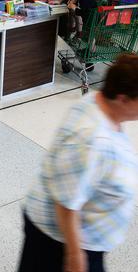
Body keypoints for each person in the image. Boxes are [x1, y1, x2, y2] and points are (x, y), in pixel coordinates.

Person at [19, 54, 138, 272]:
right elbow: (66, 203)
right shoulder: (92, 139)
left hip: (76, 237)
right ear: (123, 98)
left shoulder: (96, 101)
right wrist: (75, 255)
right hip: (60, 243)